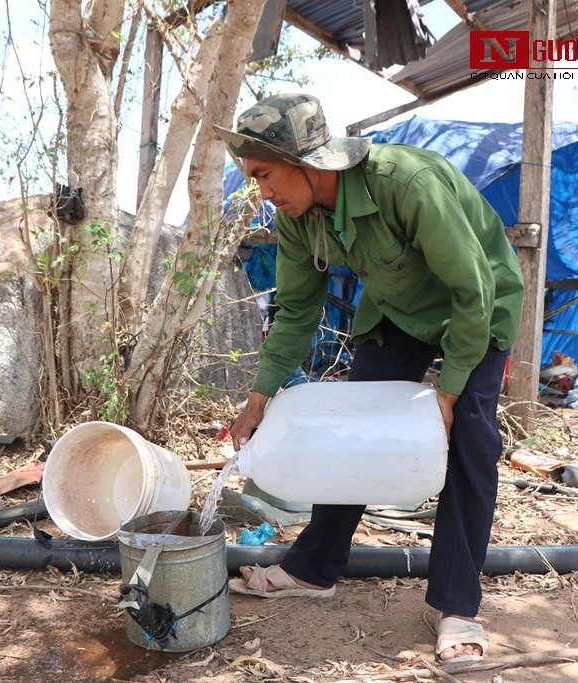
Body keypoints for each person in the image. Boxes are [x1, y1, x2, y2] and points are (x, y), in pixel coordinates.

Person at [212, 93, 525, 664]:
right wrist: (259, 398)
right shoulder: (295, 218)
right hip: (399, 314)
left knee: (470, 440)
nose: (263, 192)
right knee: (354, 429)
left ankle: (458, 605)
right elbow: (297, 313)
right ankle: (313, 570)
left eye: (264, 174)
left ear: (306, 161)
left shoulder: (404, 183)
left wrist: (449, 392)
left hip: (476, 307)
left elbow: (471, 292)